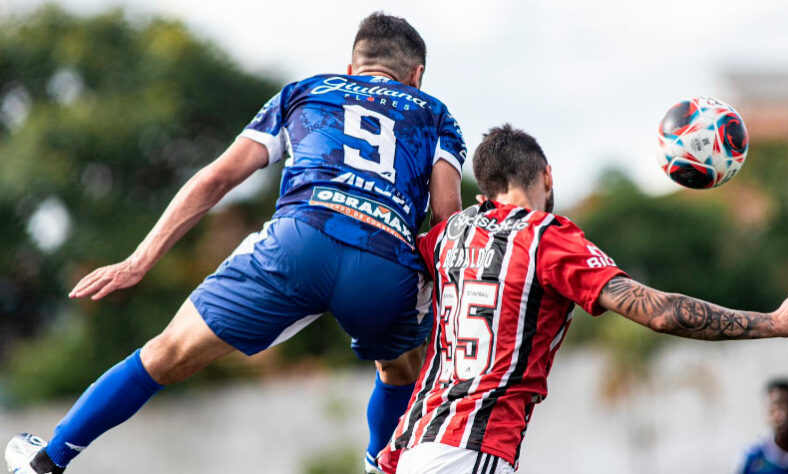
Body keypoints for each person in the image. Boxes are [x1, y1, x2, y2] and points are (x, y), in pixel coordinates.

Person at [5, 12, 466, 474]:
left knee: (166, 353)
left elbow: (218, 177)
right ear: (417, 77)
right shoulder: (434, 114)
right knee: (400, 367)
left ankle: (48, 461)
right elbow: (447, 218)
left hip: (299, 242)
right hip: (383, 260)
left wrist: (138, 260)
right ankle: (380, 466)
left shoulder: (305, 92)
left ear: (351, 68)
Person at [376, 124, 788, 474]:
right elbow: (659, 313)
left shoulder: (445, 236)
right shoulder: (545, 237)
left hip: (410, 445)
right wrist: (771, 322)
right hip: (470, 448)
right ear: (547, 176)